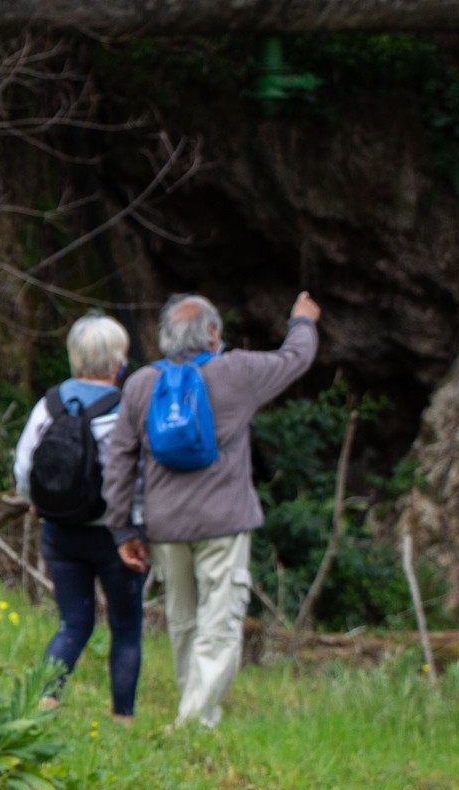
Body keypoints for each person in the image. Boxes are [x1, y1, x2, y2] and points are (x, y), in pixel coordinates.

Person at [103, 290, 320, 729]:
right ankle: (195, 720)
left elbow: (120, 460)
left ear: (165, 337)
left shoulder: (142, 384)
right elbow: (295, 359)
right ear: (213, 334)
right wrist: (302, 321)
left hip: (165, 527)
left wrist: (122, 528)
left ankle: (194, 709)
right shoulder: (236, 372)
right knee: (219, 621)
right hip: (223, 523)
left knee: (182, 621)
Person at [12, 312, 142, 722]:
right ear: (118, 360)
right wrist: (136, 526)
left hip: (59, 530)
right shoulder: (125, 410)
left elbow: (23, 464)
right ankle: (122, 718)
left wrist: (34, 501)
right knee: (125, 626)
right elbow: (135, 476)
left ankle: (45, 700)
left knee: (73, 622)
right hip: (112, 534)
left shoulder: (49, 403)